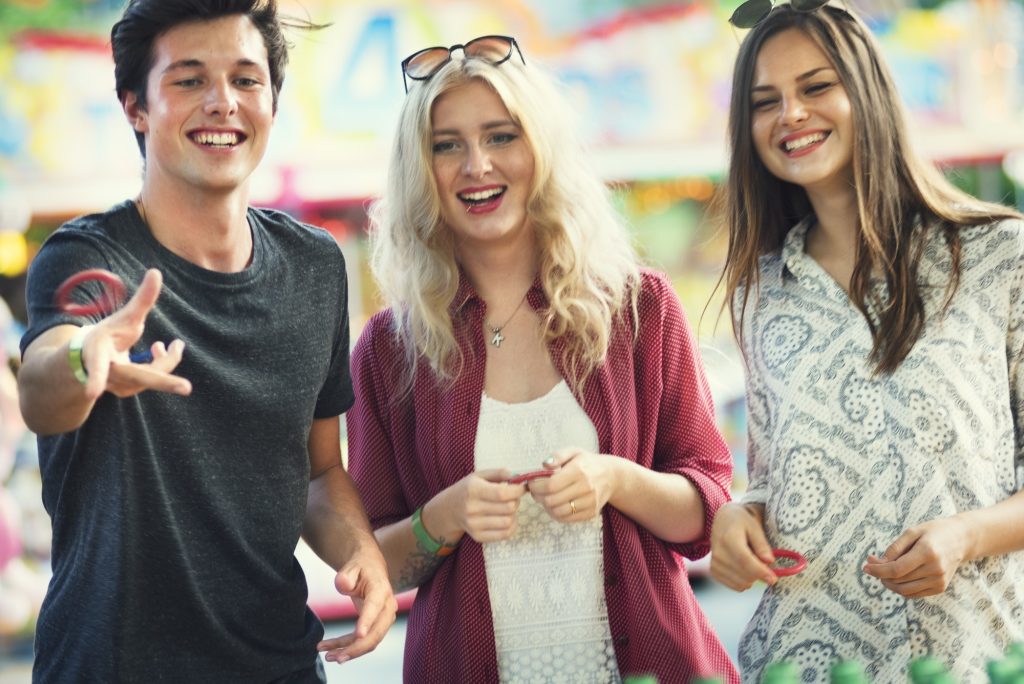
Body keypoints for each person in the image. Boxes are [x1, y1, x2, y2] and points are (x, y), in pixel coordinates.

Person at [17, 1, 396, 681]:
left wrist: (359, 551)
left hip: (278, 662)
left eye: (246, 80)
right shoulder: (89, 260)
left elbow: (318, 471)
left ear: (272, 105)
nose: (222, 102)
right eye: (188, 80)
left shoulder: (315, 267)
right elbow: (44, 392)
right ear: (136, 106)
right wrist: (86, 359)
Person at [342, 35, 737, 684]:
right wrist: (443, 517)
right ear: (421, 170)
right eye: (446, 145)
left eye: (501, 136)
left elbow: (711, 511)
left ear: (542, 152)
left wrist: (616, 479)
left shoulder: (639, 307)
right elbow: (373, 564)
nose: (476, 165)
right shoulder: (389, 349)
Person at [709, 3, 1024, 683]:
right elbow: (774, 481)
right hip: (806, 661)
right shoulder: (759, 291)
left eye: (816, 87)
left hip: (971, 658)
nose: (790, 113)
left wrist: (967, 535)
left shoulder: (1000, 255)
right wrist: (739, 517)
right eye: (766, 102)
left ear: (868, 92)